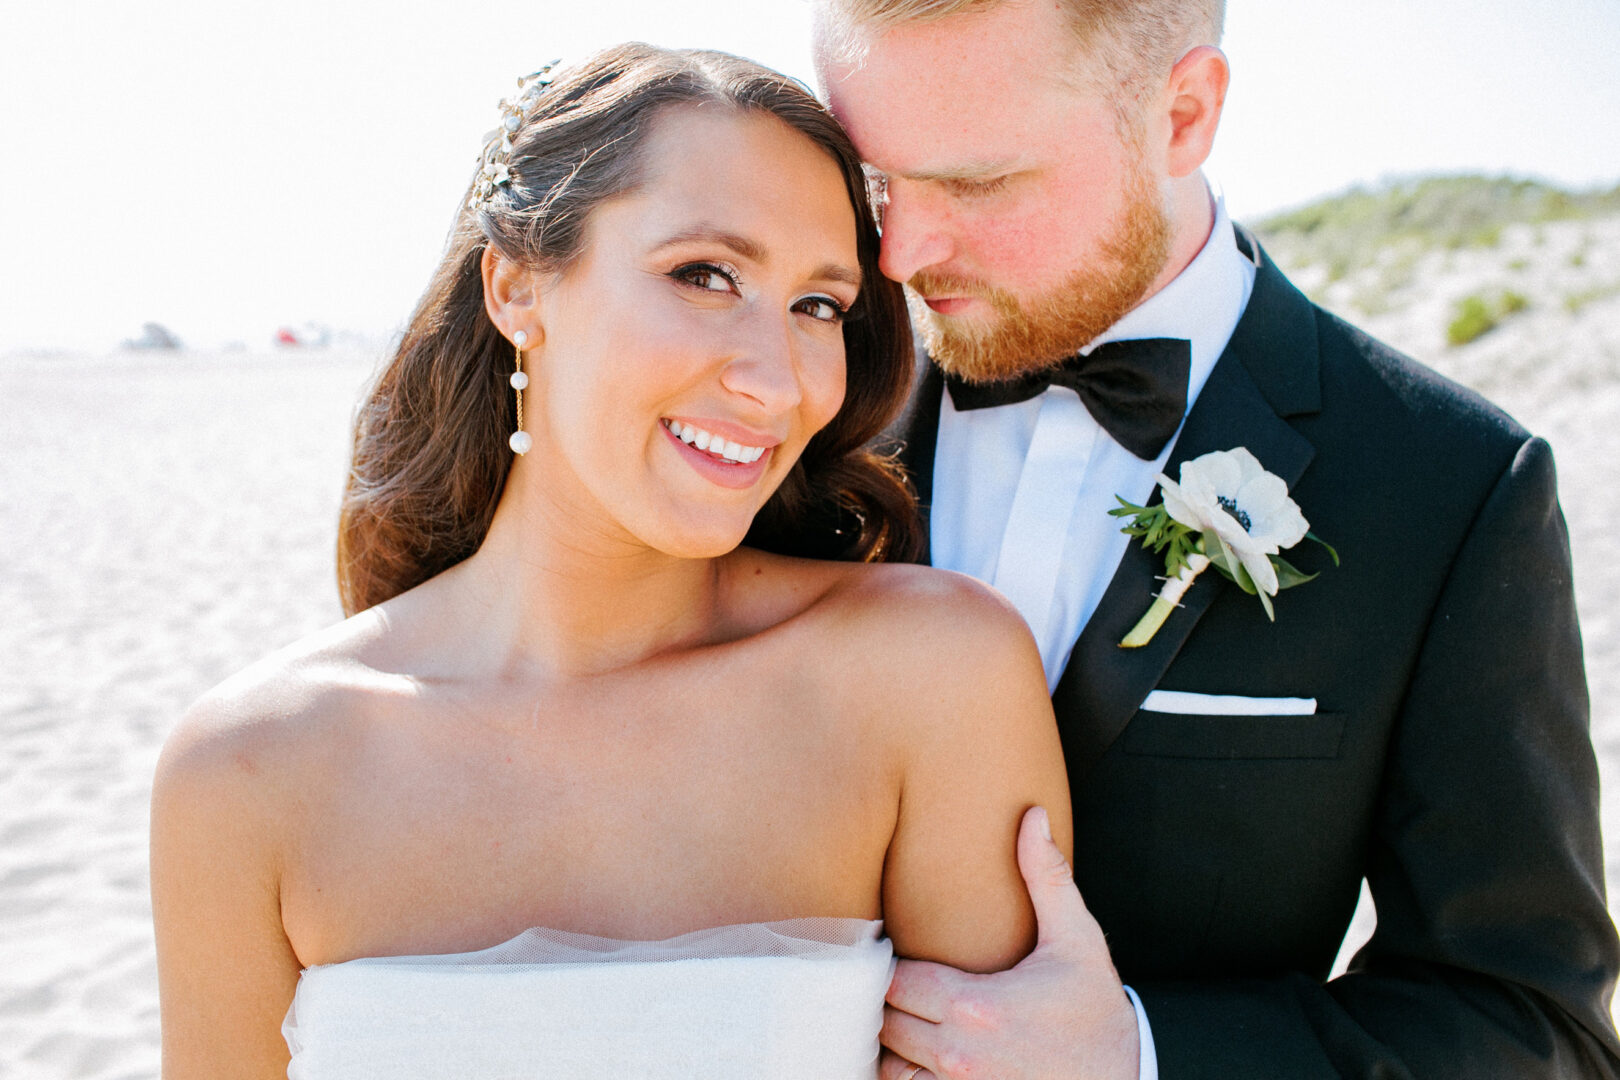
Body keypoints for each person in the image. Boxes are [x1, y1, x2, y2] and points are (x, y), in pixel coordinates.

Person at [148, 43, 1072, 1079]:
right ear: (516, 289)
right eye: (705, 275)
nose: (776, 383)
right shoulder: (247, 774)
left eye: (819, 305)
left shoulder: (931, 679)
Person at [811, 1, 1620, 1077]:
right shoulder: (794, 420)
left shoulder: (1450, 485)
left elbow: (1530, 1025)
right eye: (874, 183)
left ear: (1184, 113)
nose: (902, 253)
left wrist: (1144, 1057)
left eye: (978, 183)